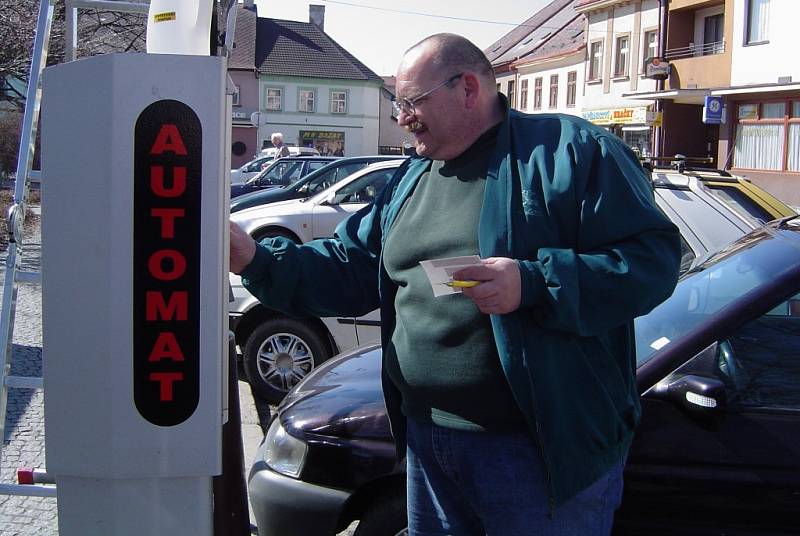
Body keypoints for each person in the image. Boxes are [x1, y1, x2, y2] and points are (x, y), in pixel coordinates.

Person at [230, 33, 681, 535]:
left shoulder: (571, 152)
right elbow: (348, 267)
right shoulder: (411, 177)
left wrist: (533, 283)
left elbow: (653, 263)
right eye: (399, 104)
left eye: (412, 102)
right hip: (428, 444)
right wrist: (254, 258)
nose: (402, 119)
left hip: (535, 454)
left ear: (469, 88)